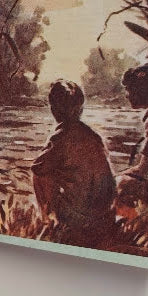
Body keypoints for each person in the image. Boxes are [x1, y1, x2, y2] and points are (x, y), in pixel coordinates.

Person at [31, 80, 115, 243]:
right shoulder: (94, 136)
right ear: (80, 109)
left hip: (79, 218)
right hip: (103, 214)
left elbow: (38, 168)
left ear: (53, 109)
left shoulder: (60, 137)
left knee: (40, 174)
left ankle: (50, 222)